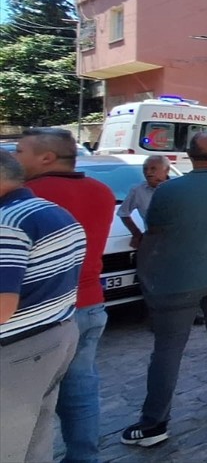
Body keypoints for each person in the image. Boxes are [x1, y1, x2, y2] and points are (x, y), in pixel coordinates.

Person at [121, 131, 207, 447]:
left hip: (179, 279)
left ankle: (154, 423)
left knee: (167, 349)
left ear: (188, 154)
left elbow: (156, 231)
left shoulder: (170, 191)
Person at [15, 128, 115, 463]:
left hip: (40, 314)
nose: (15, 158)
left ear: (46, 157)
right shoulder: (101, 191)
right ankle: (85, 457)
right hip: (90, 303)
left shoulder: (26, 196)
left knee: (28, 402)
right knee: (82, 390)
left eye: (19, 151)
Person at [0, 150, 86, 463]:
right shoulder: (55, 212)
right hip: (57, 335)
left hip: (15, 350)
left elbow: (2, 307)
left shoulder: (6, 223)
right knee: (36, 438)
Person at [118, 155, 169, 249]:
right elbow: (123, 213)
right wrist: (136, 234)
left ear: (166, 170)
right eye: (145, 169)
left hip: (178, 241)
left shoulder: (178, 188)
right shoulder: (138, 191)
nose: (148, 172)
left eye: (153, 169)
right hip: (154, 243)